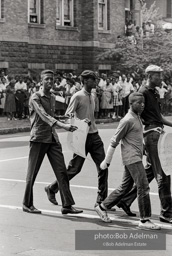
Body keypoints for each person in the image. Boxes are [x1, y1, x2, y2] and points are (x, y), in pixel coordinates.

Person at [95, 92, 160, 230]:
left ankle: (102, 206)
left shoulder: (137, 117)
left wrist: (147, 142)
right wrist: (107, 161)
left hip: (135, 156)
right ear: (131, 104)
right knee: (143, 186)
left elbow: (135, 137)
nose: (142, 105)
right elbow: (114, 140)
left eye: (143, 103)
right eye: (139, 103)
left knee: (125, 187)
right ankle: (144, 220)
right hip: (131, 158)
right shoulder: (127, 120)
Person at [22, 69, 82, 215]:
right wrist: (64, 126)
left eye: (52, 79)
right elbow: (44, 116)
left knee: (61, 172)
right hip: (39, 138)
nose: (50, 82)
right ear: (41, 81)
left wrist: (71, 120)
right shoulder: (35, 97)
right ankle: (27, 203)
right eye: (47, 79)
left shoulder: (53, 97)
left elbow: (53, 116)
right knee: (32, 173)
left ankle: (67, 205)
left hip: (52, 138)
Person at [45, 70, 108, 206]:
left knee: (103, 166)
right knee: (74, 169)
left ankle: (101, 200)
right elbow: (68, 115)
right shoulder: (78, 96)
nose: (96, 82)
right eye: (93, 79)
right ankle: (52, 188)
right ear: (85, 81)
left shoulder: (92, 95)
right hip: (82, 136)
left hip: (94, 136)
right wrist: (81, 121)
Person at [118, 65, 172, 224]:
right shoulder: (142, 93)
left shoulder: (153, 92)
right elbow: (134, 116)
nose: (161, 79)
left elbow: (158, 117)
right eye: (158, 76)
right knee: (163, 173)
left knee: (150, 172)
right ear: (150, 76)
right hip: (152, 136)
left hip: (157, 133)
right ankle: (167, 212)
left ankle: (126, 200)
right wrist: (141, 137)